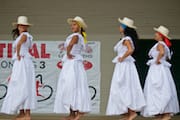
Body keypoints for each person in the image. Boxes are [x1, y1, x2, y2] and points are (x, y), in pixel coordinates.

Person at [106, 17, 146, 120]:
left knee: (125, 87)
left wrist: (122, 57)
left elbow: (130, 50)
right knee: (123, 87)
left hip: (124, 65)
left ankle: (132, 112)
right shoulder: (125, 39)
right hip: (123, 65)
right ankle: (128, 113)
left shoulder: (127, 39)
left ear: (125, 28)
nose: (119, 27)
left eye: (121, 26)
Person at [54, 16, 91, 120]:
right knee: (69, 86)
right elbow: (69, 45)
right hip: (70, 63)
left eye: (74, 24)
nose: (72, 26)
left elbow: (70, 45)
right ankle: (72, 113)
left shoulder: (76, 36)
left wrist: (68, 53)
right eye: (72, 25)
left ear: (79, 26)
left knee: (74, 86)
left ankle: (79, 111)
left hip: (73, 63)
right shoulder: (76, 36)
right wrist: (67, 50)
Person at [1, 16, 36, 120]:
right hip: (20, 62)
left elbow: (20, 44)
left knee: (24, 85)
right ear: (18, 26)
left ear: (26, 27)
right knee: (20, 85)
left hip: (23, 61)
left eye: (23, 25)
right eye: (20, 25)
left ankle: (27, 114)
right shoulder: (21, 36)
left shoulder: (25, 35)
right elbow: (20, 43)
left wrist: (18, 53)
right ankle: (22, 113)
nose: (22, 27)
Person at [141, 26, 179, 120]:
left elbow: (161, 53)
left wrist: (157, 60)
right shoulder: (164, 45)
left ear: (161, 35)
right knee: (163, 89)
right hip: (163, 69)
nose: (155, 34)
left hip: (158, 69)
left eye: (157, 33)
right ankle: (163, 113)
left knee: (158, 89)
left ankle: (163, 112)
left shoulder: (160, 44)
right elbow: (165, 57)